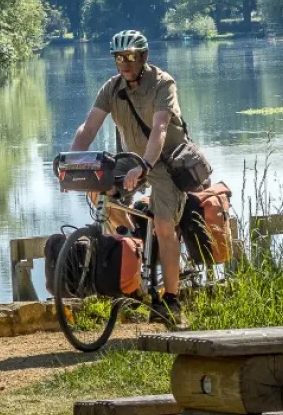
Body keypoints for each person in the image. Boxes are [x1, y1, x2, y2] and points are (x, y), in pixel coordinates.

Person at [62, 30, 193, 326]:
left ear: (144, 57)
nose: (125, 63)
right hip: (130, 160)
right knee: (100, 196)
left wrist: (145, 165)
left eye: (131, 57)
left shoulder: (163, 83)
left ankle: (171, 301)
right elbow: (89, 127)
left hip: (164, 162)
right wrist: (72, 162)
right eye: (119, 58)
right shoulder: (111, 88)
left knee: (163, 225)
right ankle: (138, 248)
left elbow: (160, 129)